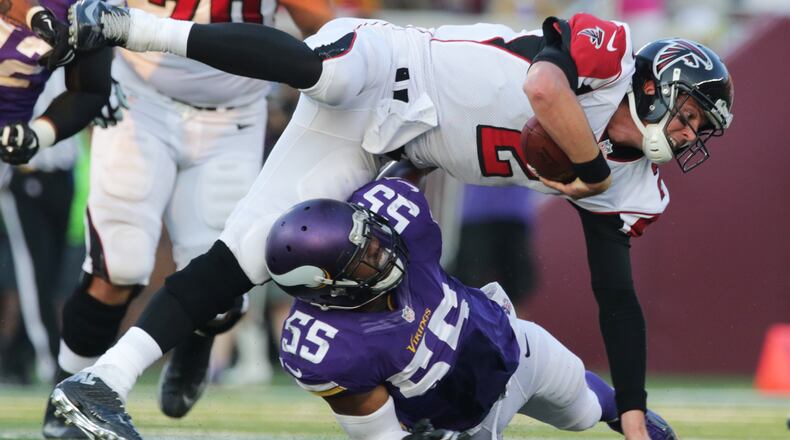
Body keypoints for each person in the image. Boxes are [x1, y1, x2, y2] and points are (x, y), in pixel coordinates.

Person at [57, 3, 734, 438]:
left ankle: (96, 386)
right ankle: (132, 26)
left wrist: (636, 408)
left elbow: (615, 292)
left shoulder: (630, 180)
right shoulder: (609, 55)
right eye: (690, 112)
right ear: (654, 82)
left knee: (248, 252)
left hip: (394, 144)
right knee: (323, 71)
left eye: (698, 127)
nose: (687, 132)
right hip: (399, 67)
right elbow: (542, 87)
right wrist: (586, 170)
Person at [43, 0, 334, 437]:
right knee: (118, 264)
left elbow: (330, 32)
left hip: (234, 114)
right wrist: (91, 77)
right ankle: (65, 394)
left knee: (223, 280)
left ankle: (198, 337)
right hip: (140, 100)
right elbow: (85, 11)